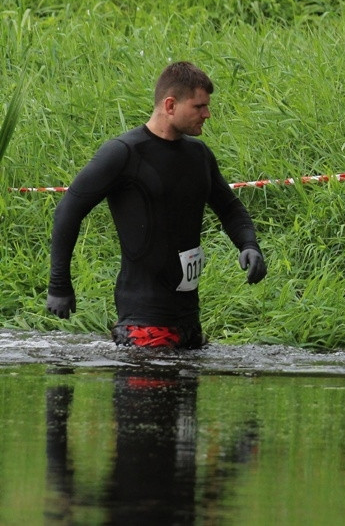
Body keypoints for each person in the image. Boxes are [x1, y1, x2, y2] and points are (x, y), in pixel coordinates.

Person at [46, 61, 266, 348]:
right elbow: (68, 211)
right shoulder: (124, 153)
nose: (207, 114)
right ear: (171, 105)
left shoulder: (198, 154)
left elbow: (230, 208)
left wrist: (249, 245)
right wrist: (59, 285)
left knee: (185, 389)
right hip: (142, 321)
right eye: (199, 107)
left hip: (189, 319)